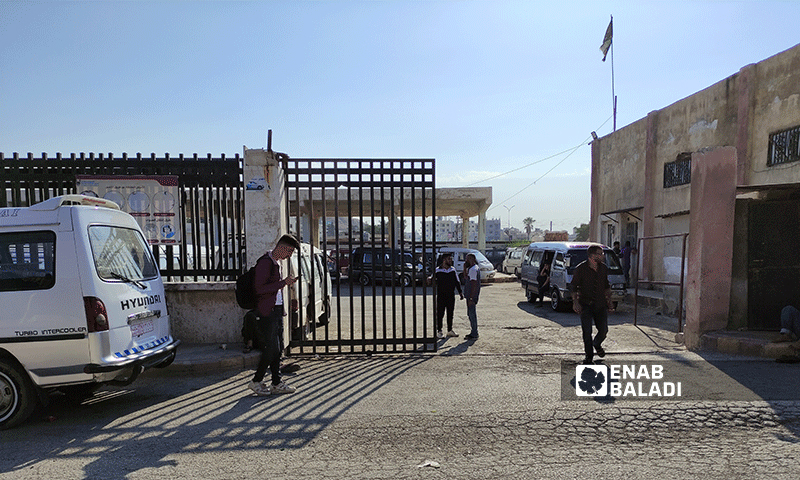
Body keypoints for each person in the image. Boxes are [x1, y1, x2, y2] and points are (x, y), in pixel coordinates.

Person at [247, 234, 301, 396]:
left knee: (277, 350)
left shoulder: (275, 263)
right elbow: (260, 289)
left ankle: (276, 383)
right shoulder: (265, 263)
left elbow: (273, 290)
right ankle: (256, 381)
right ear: (282, 248)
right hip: (267, 312)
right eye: (289, 251)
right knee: (271, 349)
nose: (290, 255)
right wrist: (284, 282)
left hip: (276, 311)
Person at [571, 245, 614, 365]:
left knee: (604, 330)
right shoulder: (581, 269)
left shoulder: (603, 268)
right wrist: (575, 302)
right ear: (592, 255)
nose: (602, 256)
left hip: (600, 304)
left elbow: (606, 286)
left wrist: (609, 302)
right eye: (600, 253)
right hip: (586, 304)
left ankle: (597, 344)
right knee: (587, 331)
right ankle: (588, 357)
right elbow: (573, 286)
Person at [431, 253, 463, 338]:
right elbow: (432, 280)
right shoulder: (438, 270)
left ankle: (449, 330)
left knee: (450, 313)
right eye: (449, 259)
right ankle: (439, 331)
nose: (451, 260)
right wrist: (429, 279)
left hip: (450, 295)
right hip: (441, 295)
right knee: (440, 313)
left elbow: (457, 281)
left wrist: (460, 292)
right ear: (444, 260)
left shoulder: (452, 270)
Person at [463, 253, 481, 341]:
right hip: (470, 295)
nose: (466, 261)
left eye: (467, 259)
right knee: (470, 313)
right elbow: (466, 278)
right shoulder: (471, 269)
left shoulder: (473, 269)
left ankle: (474, 332)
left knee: (472, 314)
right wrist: (464, 269)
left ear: (472, 259)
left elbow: (473, 284)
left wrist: (471, 297)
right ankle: (473, 331)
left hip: (471, 296)